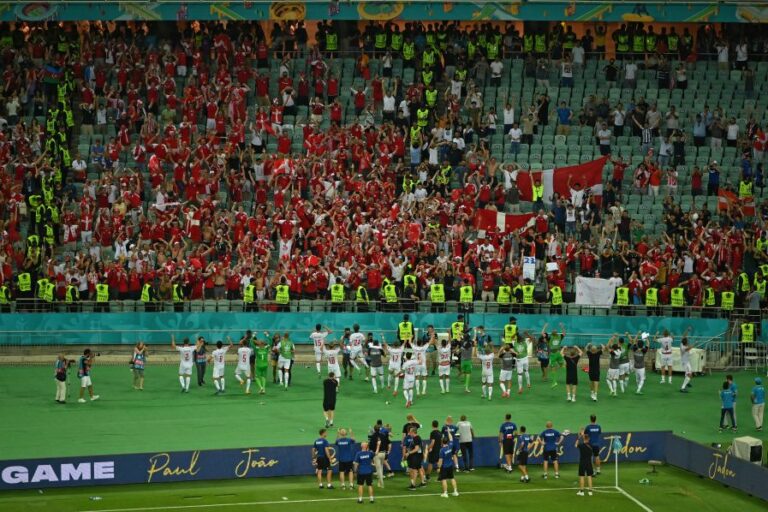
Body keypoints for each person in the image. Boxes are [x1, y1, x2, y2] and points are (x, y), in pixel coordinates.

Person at [438, 430, 460, 498]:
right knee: (452, 478)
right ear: (447, 441)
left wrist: (439, 467)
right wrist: (448, 432)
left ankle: (445, 493)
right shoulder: (450, 445)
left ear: (442, 442)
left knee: (444, 479)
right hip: (450, 466)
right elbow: (451, 438)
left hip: (444, 467)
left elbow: (440, 460)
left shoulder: (442, 450)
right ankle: (455, 491)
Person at [404, 425, 426, 489]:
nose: (409, 433)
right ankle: (423, 483)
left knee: (414, 470)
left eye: (410, 432)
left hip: (416, 456)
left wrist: (408, 453)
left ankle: (413, 485)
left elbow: (416, 449)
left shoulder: (416, 438)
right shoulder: (418, 437)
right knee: (419, 468)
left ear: (413, 432)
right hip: (419, 456)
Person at [576, 432, 595, 496]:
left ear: (583, 438)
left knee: (582, 476)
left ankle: (581, 491)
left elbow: (575, 445)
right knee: (589, 476)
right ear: (589, 439)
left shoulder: (581, 445)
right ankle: (590, 491)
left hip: (582, 463)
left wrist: (579, 438)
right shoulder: (592, 446)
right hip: (589, 462)